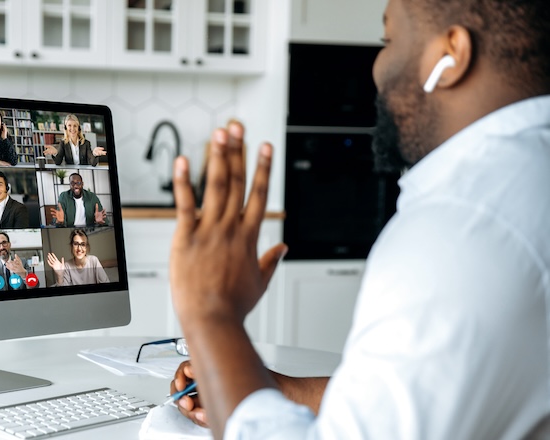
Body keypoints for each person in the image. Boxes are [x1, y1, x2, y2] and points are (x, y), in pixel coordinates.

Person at [168, 0, 550, 438]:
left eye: (388, 41)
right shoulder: (527, 178)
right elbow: (406, 400)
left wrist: (211, 316)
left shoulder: (462, 228)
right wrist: (265, 387)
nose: (376, 68)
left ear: (452, 54)